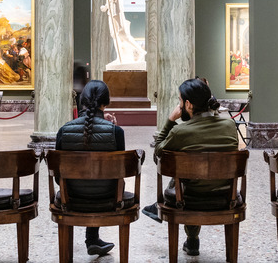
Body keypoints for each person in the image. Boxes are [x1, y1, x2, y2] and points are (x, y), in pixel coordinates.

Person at [147, 78, 240, 256]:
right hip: (225, 193)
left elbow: (158, 153)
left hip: (190, 196)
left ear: (188, 104)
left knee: (185, 183)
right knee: (189, 181)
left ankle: (192, 240)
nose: (179, 105)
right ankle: (194, 241)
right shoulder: (230, 126)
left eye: (180, 101)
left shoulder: (180, 132)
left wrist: (170, 120)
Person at [55, 80, 125, 257]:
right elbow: (120, 173)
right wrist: (112, 127)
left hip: (70, 195)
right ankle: (92, 238)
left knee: (86, 183)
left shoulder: (64, 131)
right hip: (108, 195)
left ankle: (92, 239)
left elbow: (57, 176)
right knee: (97, 184)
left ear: (82, 101)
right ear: (105, 103)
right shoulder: (116, 132)